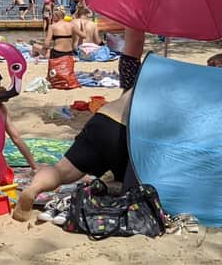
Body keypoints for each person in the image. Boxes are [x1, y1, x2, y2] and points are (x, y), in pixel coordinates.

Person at [13, 89, 133, 222]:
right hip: (131, 130)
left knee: (60, 171)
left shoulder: (144, 74)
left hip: (103, 118)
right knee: (131, 185)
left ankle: (34, 189)